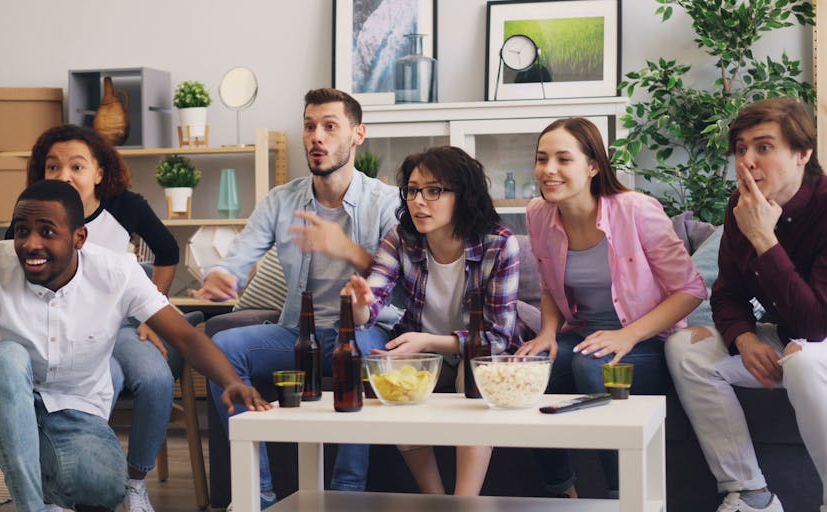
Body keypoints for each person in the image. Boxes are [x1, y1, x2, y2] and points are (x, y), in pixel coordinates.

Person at [0, 180, 270, 512]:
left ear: (79, 238)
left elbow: (186, 337)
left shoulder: (117, 273)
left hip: (72, 413)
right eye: (21, 230)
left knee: (104, 486)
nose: (30, 244)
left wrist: (232, 381)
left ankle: (47, 485)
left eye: (46, 232)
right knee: (7, 356)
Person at [196, 88, 400, 507]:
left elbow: (403, 279)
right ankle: (260, 493)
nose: (316, 138)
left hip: (365, 334)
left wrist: (347, 249)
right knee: (222, 348)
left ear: (358, 134)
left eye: (329, 127)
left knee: (358, 348)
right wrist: (222, 274)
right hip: (298, 334)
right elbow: (241, 252)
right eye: (310, 127)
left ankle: (346, 495)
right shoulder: (281, 200)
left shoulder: (387, 202)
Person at [514, 117, 706, 498]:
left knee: (593, 365)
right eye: (542, 158)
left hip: (646, 338)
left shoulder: (636, 210)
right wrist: (547, 333)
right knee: (527, 371)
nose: (549, 170)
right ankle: (562, 494)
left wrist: (626, 336)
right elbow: (550, 284)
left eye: (563, 159)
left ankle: (623, 497)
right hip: (584, 334)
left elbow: (689, 289)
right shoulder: (538, 212)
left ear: (593, 166)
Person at [665, 98, 827, 512]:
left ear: (802, 153)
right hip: (791, 341)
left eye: (764, 147)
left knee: (804, 358)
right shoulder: (742, 207)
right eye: (741, 149)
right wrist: (744, 338)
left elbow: (816, 324)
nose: (747, 161)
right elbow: (727, 293)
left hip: (816, 341)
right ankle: (751, 494)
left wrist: (765, 240)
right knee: (685, 349)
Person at [16, 124, 182, 512]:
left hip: (122, 324)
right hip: (64, 330)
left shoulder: (126, 206)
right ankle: (66, 482)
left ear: (99, 172)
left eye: (76, 166)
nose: (64, 176)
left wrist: (150, 315)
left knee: (157, 378)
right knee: (104, 380)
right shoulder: (32, 212)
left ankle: (134, 482)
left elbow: (168, 251)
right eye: (53, 167)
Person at [344, 146, 520, 496]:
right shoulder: (401, 237)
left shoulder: (499, 244)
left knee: (475, 368)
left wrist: (427, 342)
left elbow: (497, 336)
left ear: (464, 195)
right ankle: (435, 499)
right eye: (412, 190)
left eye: (434, 190)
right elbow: (369, 311)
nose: (419, 201)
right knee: (388, 372)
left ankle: (464, 501)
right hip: (424, 351)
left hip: (477, 351)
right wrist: (359, 304)